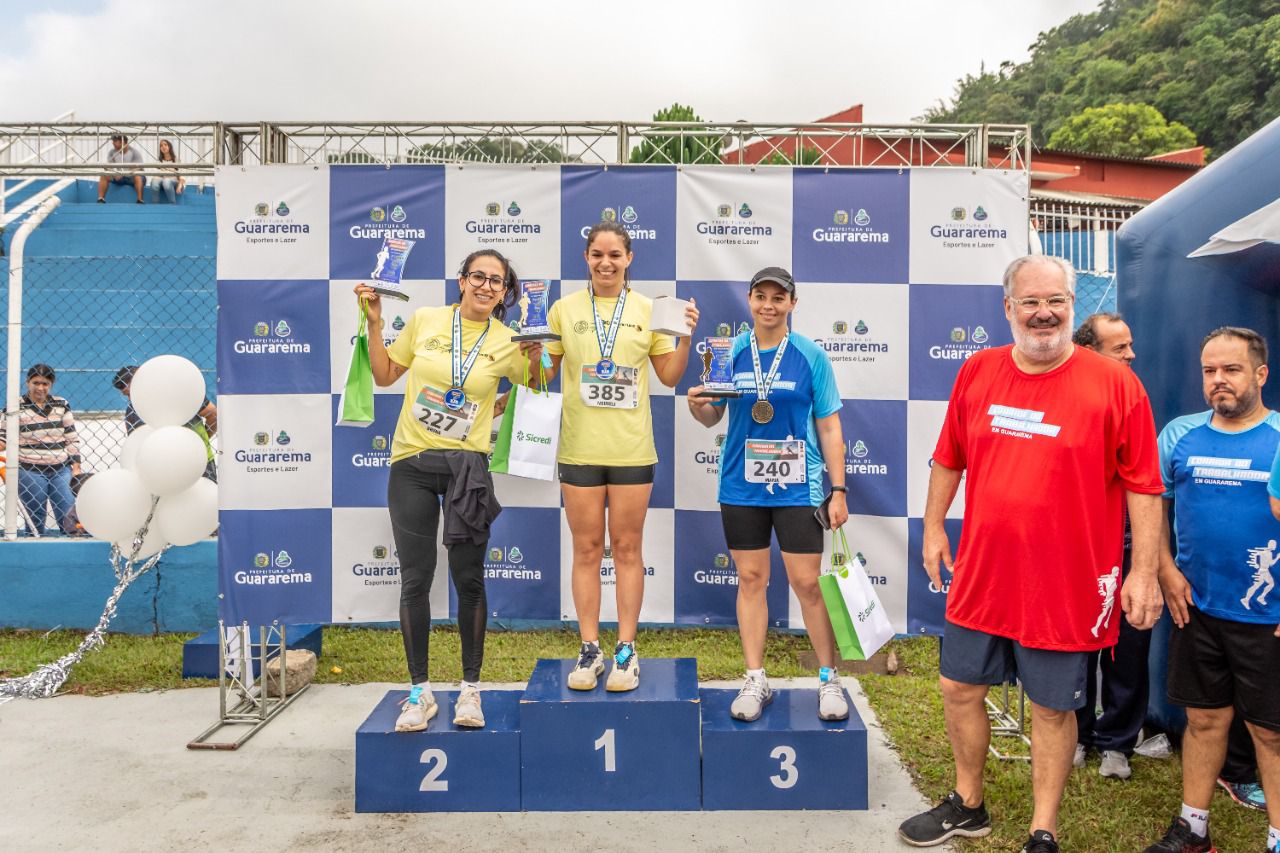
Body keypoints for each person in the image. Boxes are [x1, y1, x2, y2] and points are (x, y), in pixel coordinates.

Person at [898, 255, 1164, 853]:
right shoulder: (978, 370)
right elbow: (949, 455)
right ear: (1008, 308)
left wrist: (1143, 572)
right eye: (1030, 302)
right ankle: (969, 804)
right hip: (984, 570)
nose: (1043, 314)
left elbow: (1146, 486)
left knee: (1050, 707)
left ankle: (1043, 829)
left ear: (1073, 305)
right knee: (958, 687)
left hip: (1067, 580)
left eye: (1056, 302)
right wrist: (935, 526)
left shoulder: (1116, 383)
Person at [356, 249, 542, 733]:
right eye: (477, 276)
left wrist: (529, 366)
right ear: (461, 281)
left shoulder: (507, 340)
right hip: (412, 465)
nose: (485, 286)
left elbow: (534, 392)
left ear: (505, 293)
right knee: (416, 580)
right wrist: (375, 324)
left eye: (496, 282)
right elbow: (384, 376)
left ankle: (470, 690)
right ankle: (419, 691)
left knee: (469, 580)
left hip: (467, 471)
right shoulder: (425, 320)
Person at [687, 266, 849, 722]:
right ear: (750, 300)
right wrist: (698, 405)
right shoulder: (730, 352)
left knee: (806, 584)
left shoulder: (811, 355)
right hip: (741, 486)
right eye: (761, 296)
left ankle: (827, 678)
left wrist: (838, 489)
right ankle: (756, 677)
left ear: (792, 304)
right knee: (752, 580)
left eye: (779, 297)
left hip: (800, 487)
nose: (769, 305)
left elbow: (830, 425)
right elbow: (711, 417)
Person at [543, 220, 697, 692]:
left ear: (629, 259)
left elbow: (669, 377)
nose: (606, 263)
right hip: (579, 449)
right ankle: (590, 649)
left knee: (628, 549)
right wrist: (529, 347)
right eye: (597, 255)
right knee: (587, 550)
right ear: (585, 259)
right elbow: (542, 372)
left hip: (632, 450)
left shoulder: (651, 310)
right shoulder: (562, 309)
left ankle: (627, 650)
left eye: (615, 255)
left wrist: (686, 337)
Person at [1145, 327, 1280, 853]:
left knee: (1270, 732)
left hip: (1266, 616)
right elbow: (1151, 503)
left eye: (1231, 370)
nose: (1218, 381)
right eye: (1209, 371)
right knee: (1202, 720)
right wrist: (1164, 570)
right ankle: (1193, 829)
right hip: (1195, 607)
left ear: (1260, 374)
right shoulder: (1180, 434)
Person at [1069, 313, 1148, 781]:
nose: (1131, 355)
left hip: (1128, 547)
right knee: (1076, 649)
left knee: (1129, 648)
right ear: (1090, 353)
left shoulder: (1134, 396)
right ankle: (1077, 734)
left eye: (1130, 345)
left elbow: (1146, 484)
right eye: (1120, 348)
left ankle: (1118, 742)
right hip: (1079, 548)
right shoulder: (1069, 397)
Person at [0, 364, 83, 536]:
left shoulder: (61, 404)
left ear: (51, 384)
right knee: (36, 516)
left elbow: (71, 437)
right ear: (27, 382)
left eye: (45, 383)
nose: (40, 387)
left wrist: (76, 469)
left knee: (68, 514)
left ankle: (68, 552)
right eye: (36, 383)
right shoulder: (15, 406)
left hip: (61, 469)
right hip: (30, 470)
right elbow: (3, 437)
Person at [113, 365, 218, 482]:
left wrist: (197, 442)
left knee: (204, 495)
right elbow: (137, 443)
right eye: (127, 395)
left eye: (131, 392)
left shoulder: (182, 392)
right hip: (163, 467)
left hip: (197, 459)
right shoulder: (133, 410)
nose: (131, 398)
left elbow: (213, 414)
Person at [97, 134, 144, 204]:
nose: (112, 143)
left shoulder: (134, 152)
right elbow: (109, 166)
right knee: (104, 175)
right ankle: (101, 198)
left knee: (138, 176)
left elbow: (138, 168)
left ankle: (140, 200)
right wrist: (114, 173)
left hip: (132, 177)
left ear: (123, 142)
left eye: (115, 141)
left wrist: (123, 174)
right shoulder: (112, 152)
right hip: (119, 177)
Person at [150, 139, 185, 204]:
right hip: (162, 181)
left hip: (173, 182)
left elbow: (182, 175)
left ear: (169, 146)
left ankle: (172, 203)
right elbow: (155, 175)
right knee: (154, 181)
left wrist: (180, 185)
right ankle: (155, 205)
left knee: (166, 181)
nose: (163, 147)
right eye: (161, 146)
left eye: (165, 145)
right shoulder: (159, 161)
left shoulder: (176, 160)